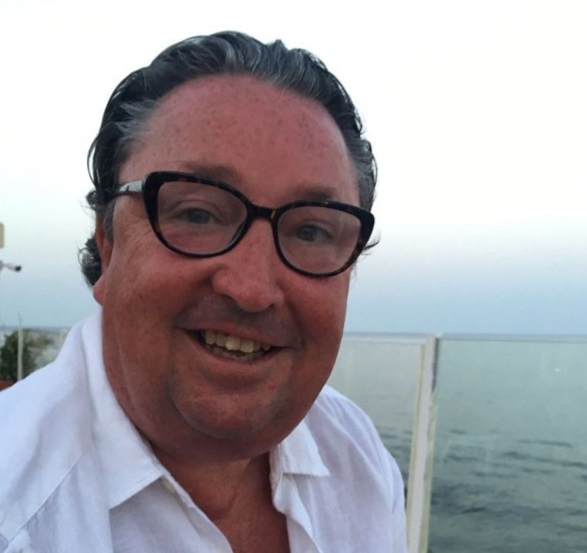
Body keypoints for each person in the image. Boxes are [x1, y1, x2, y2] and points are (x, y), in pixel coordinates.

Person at [0, 31, 407, 552]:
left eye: (310, 231)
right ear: (108, 244)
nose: (252, 289)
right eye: (197, 214)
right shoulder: (17, 516)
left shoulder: (359, 459)